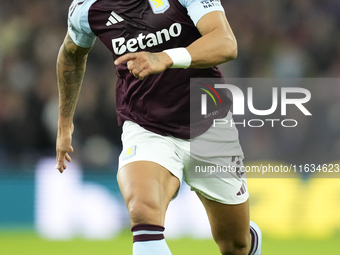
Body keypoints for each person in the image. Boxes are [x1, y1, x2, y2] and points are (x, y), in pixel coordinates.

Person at [55, 0, 262, 254]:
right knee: (143, 210)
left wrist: (165, 58)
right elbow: (71, 55)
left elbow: (226, 43)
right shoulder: (86, 8)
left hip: (209, 123)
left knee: (236, 244)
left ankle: (248, 240)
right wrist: (65, 124)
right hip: (145, 126)